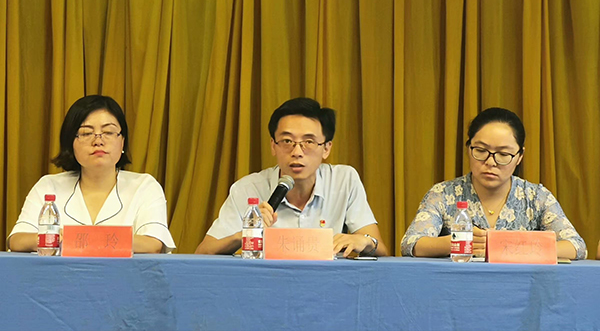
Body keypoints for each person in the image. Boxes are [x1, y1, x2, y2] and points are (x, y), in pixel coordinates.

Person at [195, 97, 388, 257]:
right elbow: (203, 253)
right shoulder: (247, 189)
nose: (297, 152)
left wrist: (364, 241)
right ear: (273, 146)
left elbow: (381, 251)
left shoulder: (344, 180)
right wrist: (246, 234)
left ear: (326, 148)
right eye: (287, 141)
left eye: (308, 142)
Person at [401, 107, 586, 260]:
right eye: (481, 150)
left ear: (519, 157)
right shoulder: (443, 193)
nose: (490, 162)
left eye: (503, 154)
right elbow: (411, 243)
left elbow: (576, 247)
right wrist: (457, 242)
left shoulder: (536, 197)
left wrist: (515, 246)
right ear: (468, 149)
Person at [7, 95, 176, 253]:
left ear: (122, 141)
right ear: (71, 143)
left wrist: (79, 238)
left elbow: (153, 244)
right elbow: (17, 240)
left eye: (108, 132)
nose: (98, 141)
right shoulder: (49, 186)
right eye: (86, 133)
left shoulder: (144, 186)